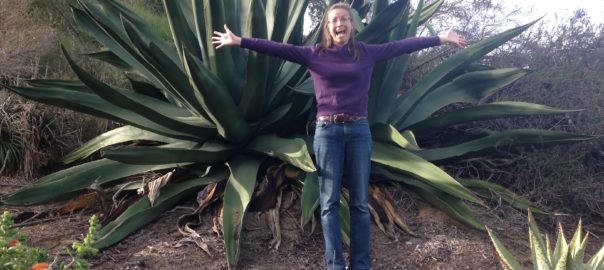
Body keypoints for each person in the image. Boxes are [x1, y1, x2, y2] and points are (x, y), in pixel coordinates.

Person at [213, 3, 468, 270]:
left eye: (345, 19)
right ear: (328, 26)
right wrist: (239, 41)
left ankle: (360, 265)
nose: (340, 24)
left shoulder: (367, 53)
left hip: (359, 131)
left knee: (358, 203)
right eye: (334, 20)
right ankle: (334, 264)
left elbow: (403, 45)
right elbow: (277, 48)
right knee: (328, 204)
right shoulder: (315, 54)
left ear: (352, 25)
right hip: (327, 133)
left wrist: (441, 38)